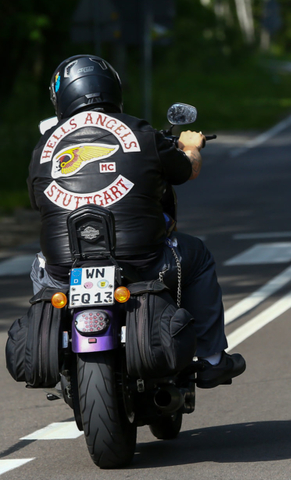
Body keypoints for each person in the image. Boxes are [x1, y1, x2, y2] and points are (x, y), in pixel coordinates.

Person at [27, 54, 245, 389]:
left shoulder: (44, 147)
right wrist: (190, 146)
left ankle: (59, 357)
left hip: (63, 271)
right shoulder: (141, 132)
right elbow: (188, 170)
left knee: (38, 266)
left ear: (61, 98)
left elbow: (37, 202)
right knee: (197, 256)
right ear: (113, 89)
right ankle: (214, 359)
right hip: (142, 263)